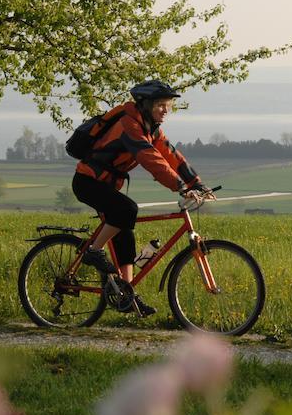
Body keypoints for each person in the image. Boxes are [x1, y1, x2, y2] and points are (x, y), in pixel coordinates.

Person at [72, 80, 215, 316]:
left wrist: (197, 183)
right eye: (161, 105)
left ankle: (125, 294)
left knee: (124, 231)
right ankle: (93, 252)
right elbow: (151, 159)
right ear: (146, 104)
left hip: (105, 184)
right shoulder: (129, 125)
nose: (166, 110)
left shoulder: (151, 128)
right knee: (128, 209)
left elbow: (172, 156)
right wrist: (180, 187)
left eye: (168, 105)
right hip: (88, 182)